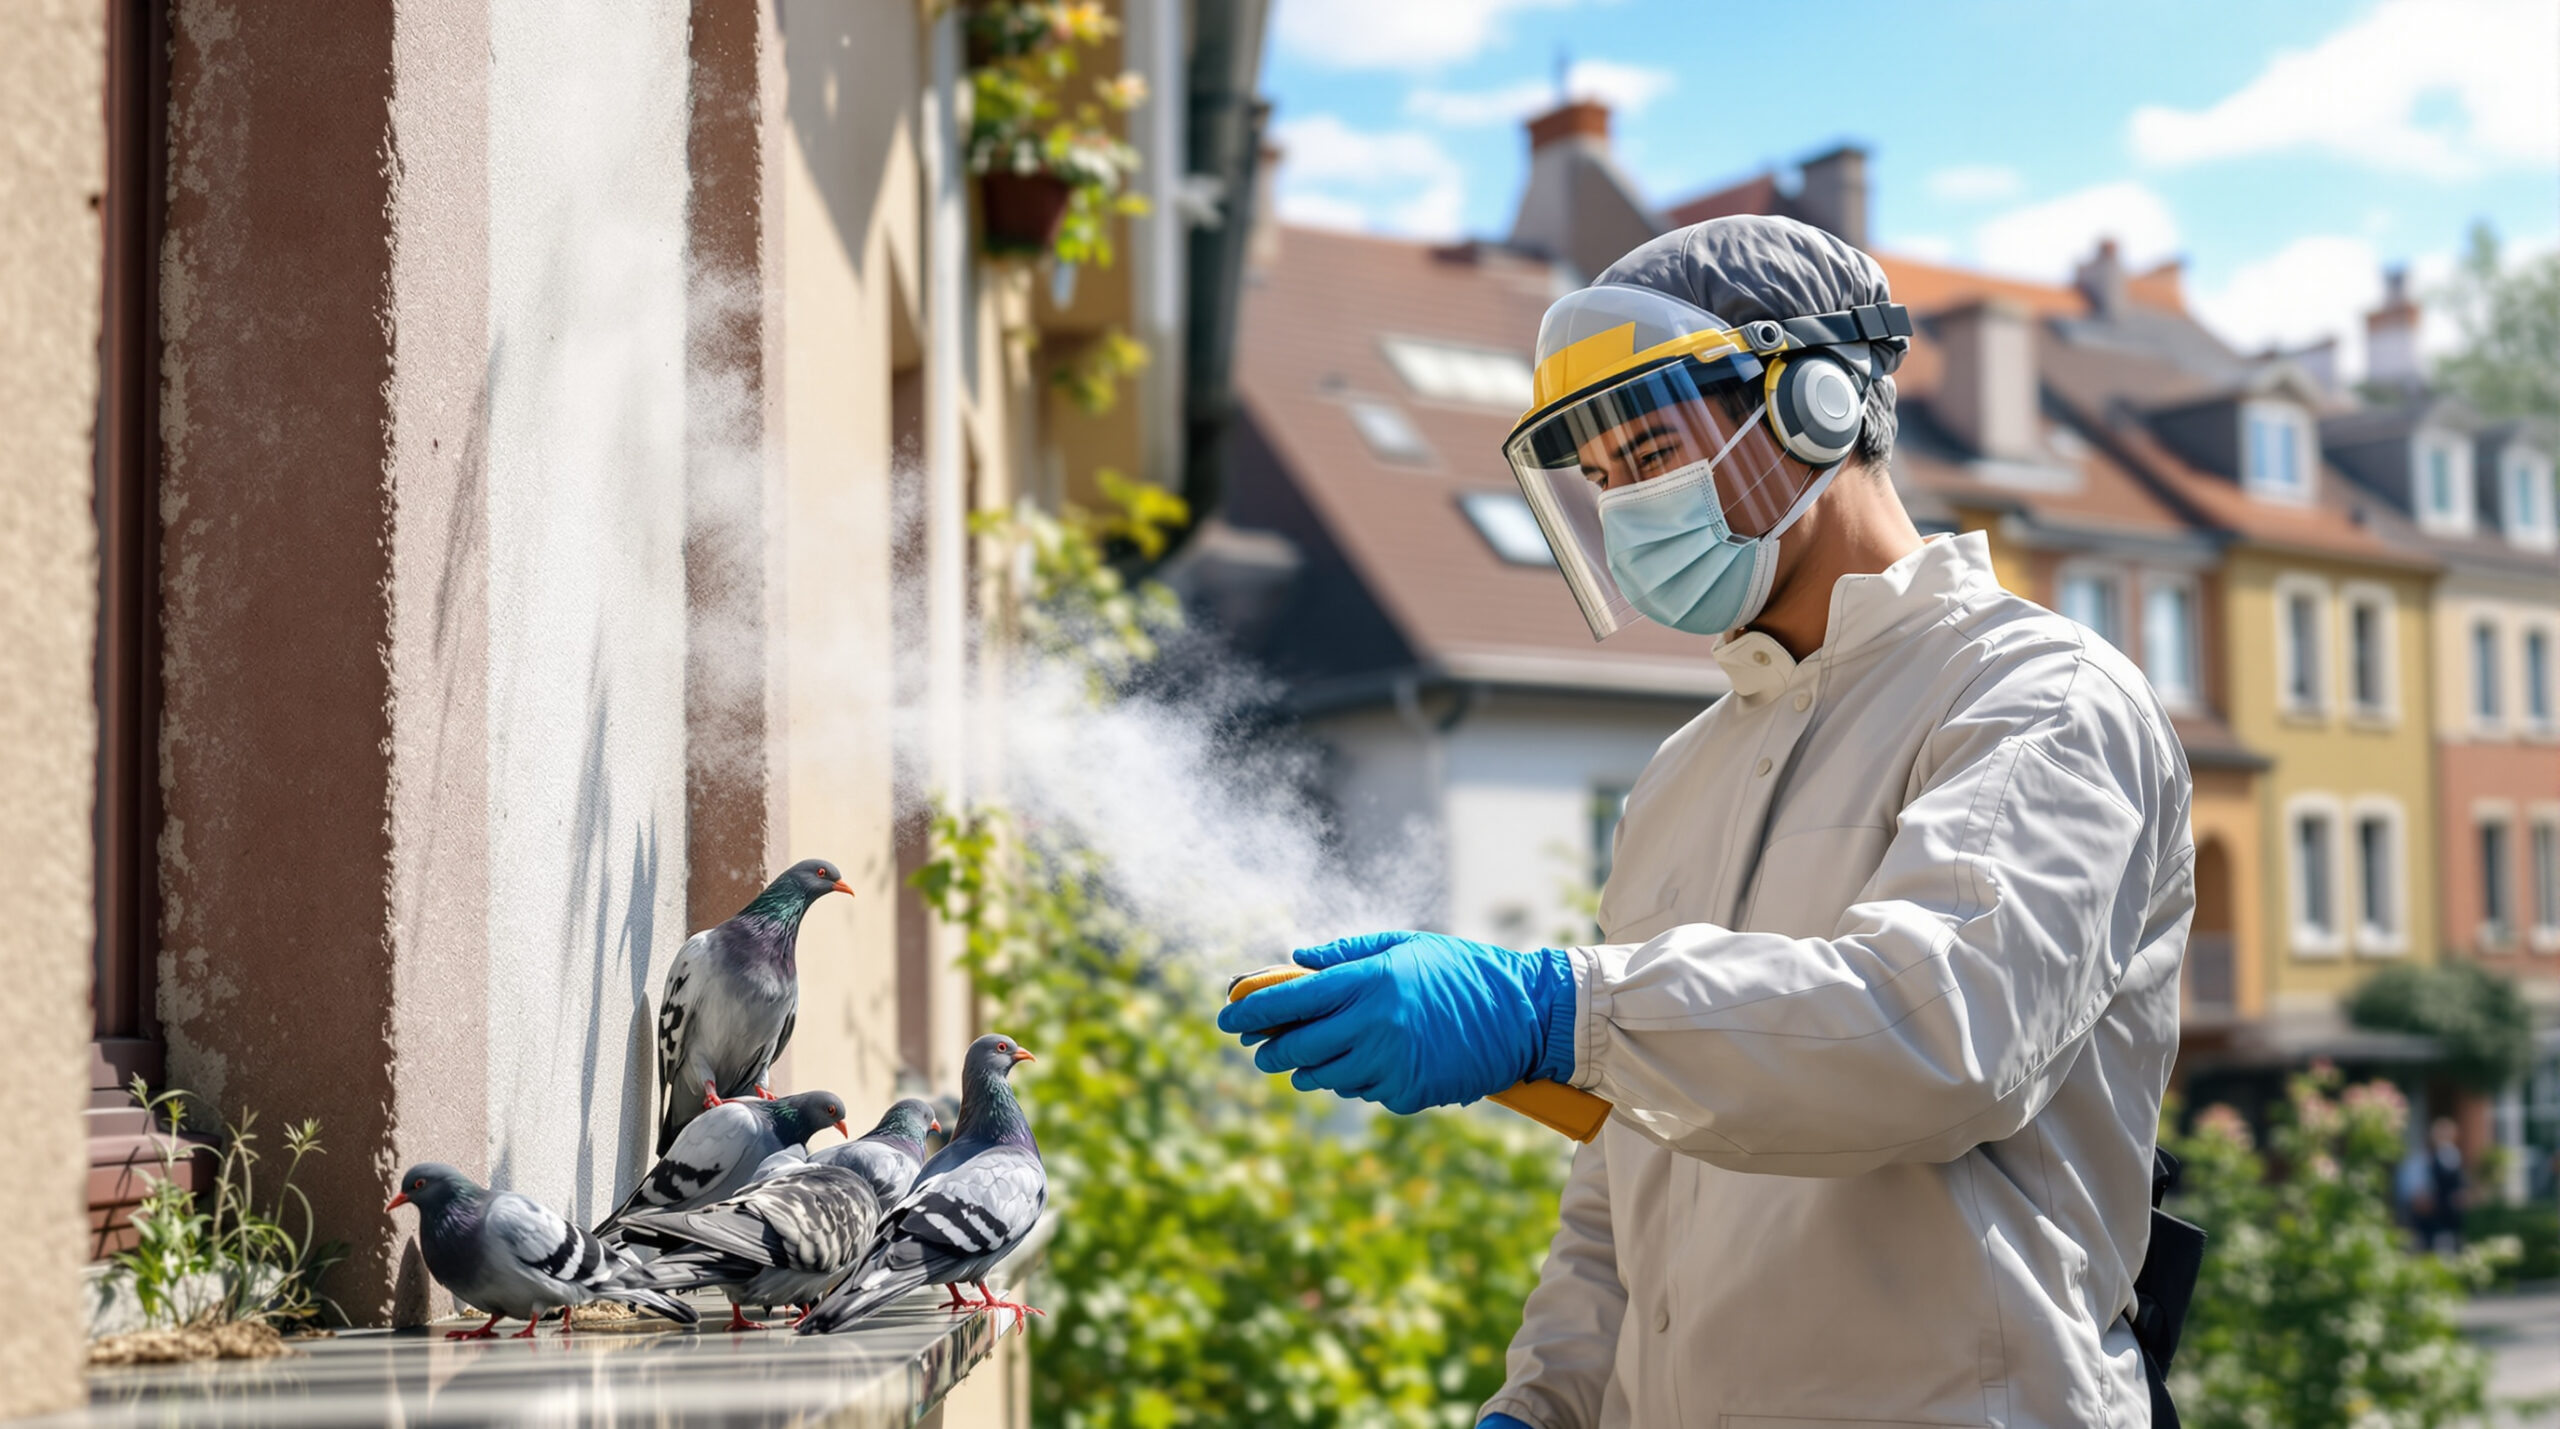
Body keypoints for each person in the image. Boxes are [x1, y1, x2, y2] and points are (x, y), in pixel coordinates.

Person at [1220, 216, 2194, 1427]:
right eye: (1605, 477)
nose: (1625, 504)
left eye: (1650, 450)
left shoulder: (2035, 698)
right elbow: (1629, 1173)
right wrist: (1547, 1403)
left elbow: (1939, 1033)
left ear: (1818, 404)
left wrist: (1553, 1009)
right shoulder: (1684, 773)